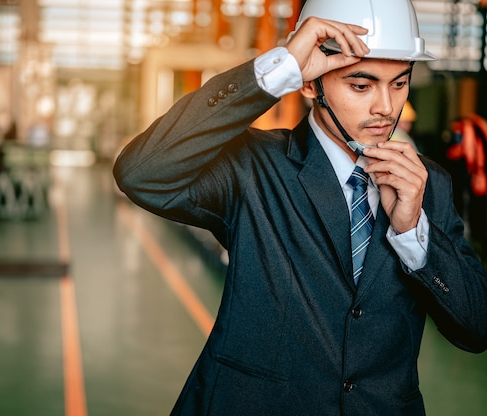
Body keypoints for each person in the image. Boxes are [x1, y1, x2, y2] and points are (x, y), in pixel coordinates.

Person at [113, 0, 487, 414]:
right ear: (311, 84)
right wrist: (280, 66)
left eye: (399, 83)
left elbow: (476, 327)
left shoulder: (426, 184)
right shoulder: (254, 168)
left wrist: (413, 232)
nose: (386, 107)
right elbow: (142, 172)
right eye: (361, 86)